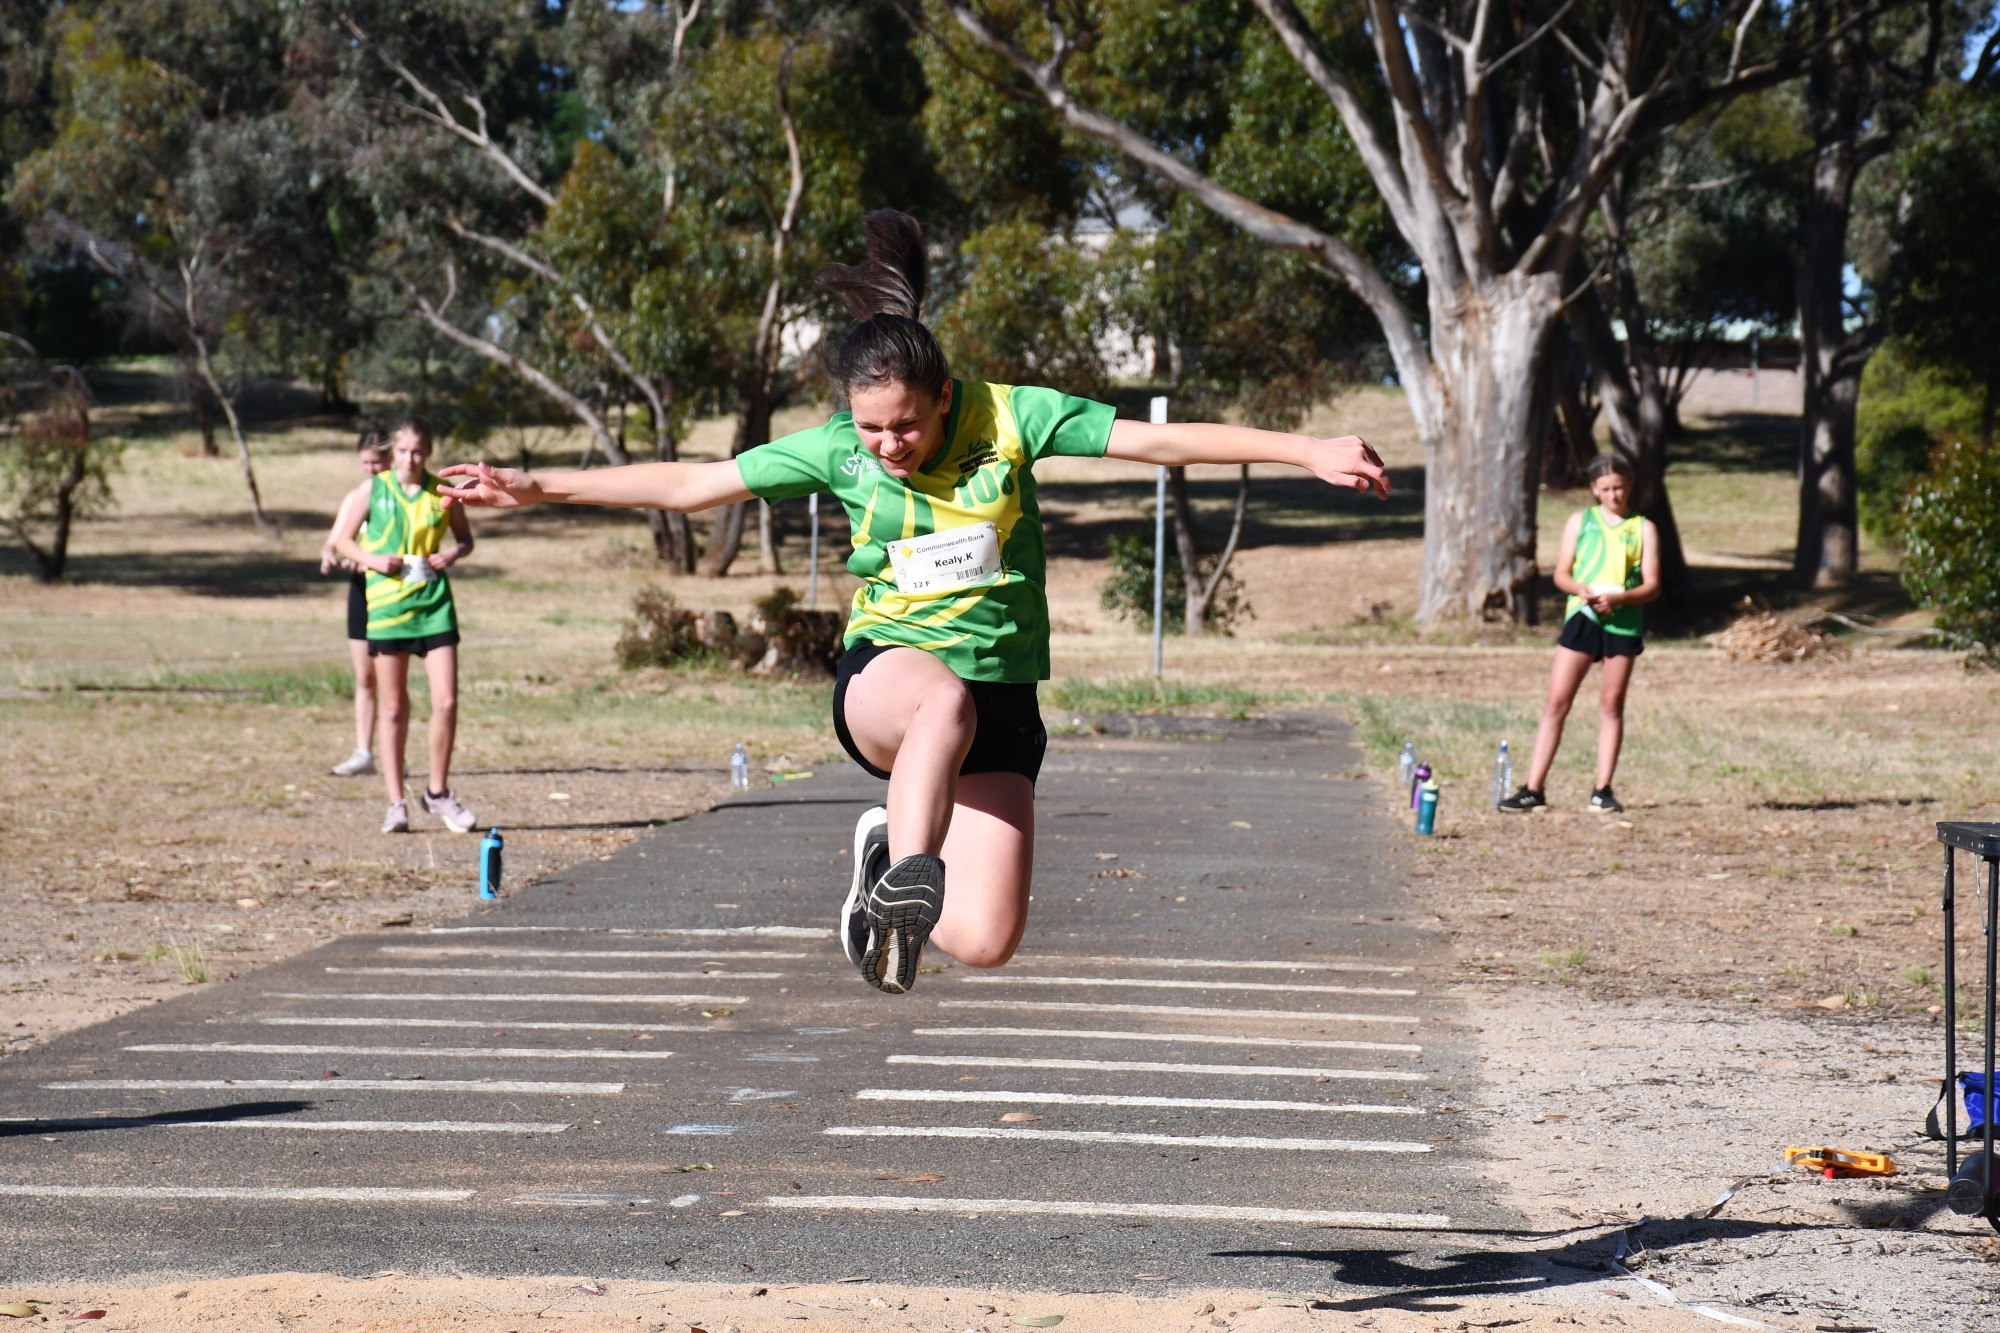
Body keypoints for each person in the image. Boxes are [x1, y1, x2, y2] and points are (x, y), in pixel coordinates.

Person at [439, 210, 1386, 992]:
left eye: (907, 425)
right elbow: (694, 484)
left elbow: (1160, 445)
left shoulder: (1015, 415)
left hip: (1001, 692)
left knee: (983, 938)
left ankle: (890, 849)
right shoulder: (839, 450)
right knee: (942, 702)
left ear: (945, 396)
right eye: (871, 429)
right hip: (890, 677)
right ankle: (906, 870)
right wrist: (540, 488)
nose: (889, 445)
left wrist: (1307, 451)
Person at [331, 415, 478, 835]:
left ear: (428, 452)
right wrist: (373, 560)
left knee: (446, 701)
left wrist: (451, 555)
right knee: (394, 708)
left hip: (433, 603)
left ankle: (437, 792)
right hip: (388, 607)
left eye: (417, 451)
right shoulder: (373, 490)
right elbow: (342, 540)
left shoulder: (442, 492)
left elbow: (465, 540)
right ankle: (395, 803)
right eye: (402, 451)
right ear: (391, 452)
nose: (410, 459)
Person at [1498, 455, 1661, 815]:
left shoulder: (1642, 528)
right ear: (1593, 490)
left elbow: (1652, 585)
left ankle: (1603, 789)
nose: (1613, 494)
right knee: (1557, 702)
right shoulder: (1580, 522)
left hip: (1623, 620)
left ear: (1630, 484)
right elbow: (1561, 574)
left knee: (1611, 705)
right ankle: (1533, 788)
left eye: (1618, 487)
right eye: (1604, 489)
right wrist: (1582, 590)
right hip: (1583, 616)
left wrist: (1620, 598)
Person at [320, 428, 391, 777]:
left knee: (390, 677)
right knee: (364, 677)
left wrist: (367, 557)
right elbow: (333, 542)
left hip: (392, 591)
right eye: (365, 462)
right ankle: (364, 752)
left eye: (376, 462)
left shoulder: (400, 498)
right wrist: (331, 556)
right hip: (361, 590)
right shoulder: (359, 495)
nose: (371, 470)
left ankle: (395, 750)